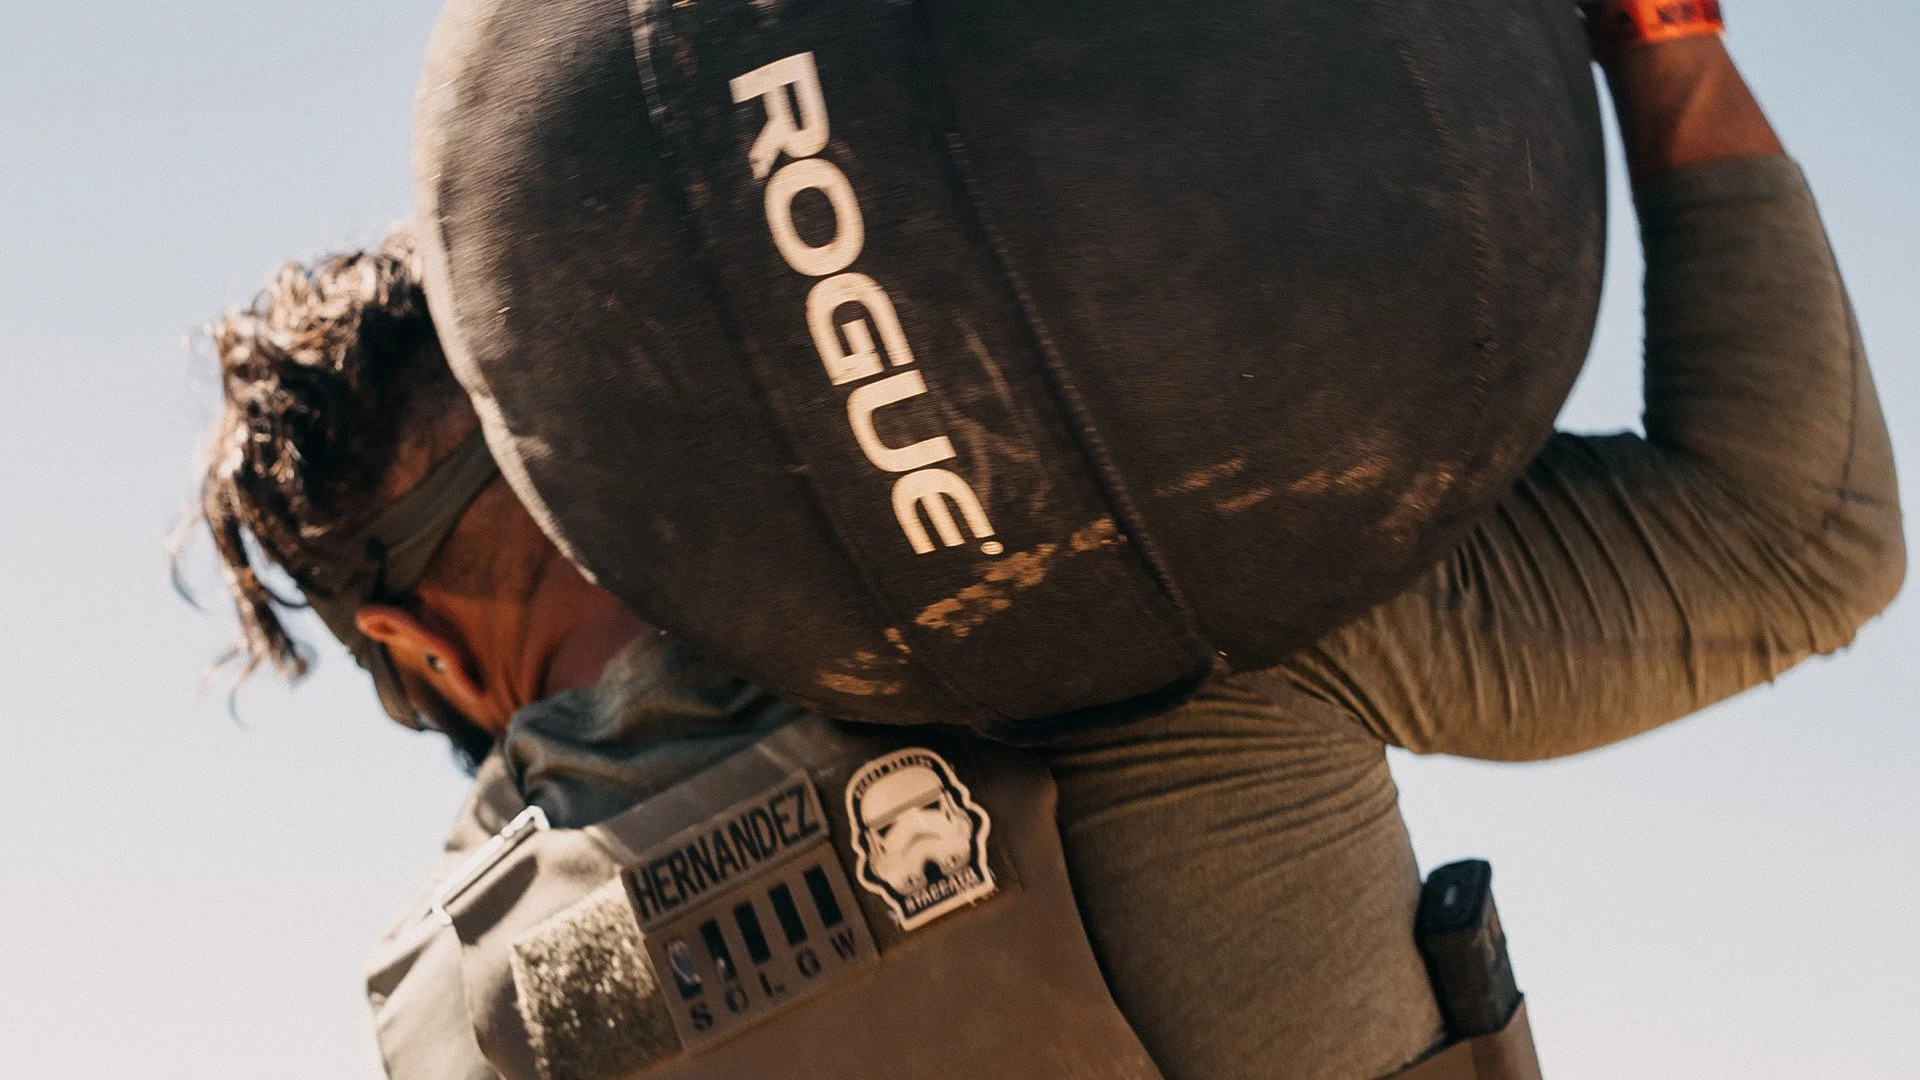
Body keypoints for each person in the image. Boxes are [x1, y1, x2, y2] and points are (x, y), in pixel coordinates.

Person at [186, 16, 1901, 1080]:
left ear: (416, 646)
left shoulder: (446, 1022)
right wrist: (1657, 29)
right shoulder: (1133, 606)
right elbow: (1796, 530)